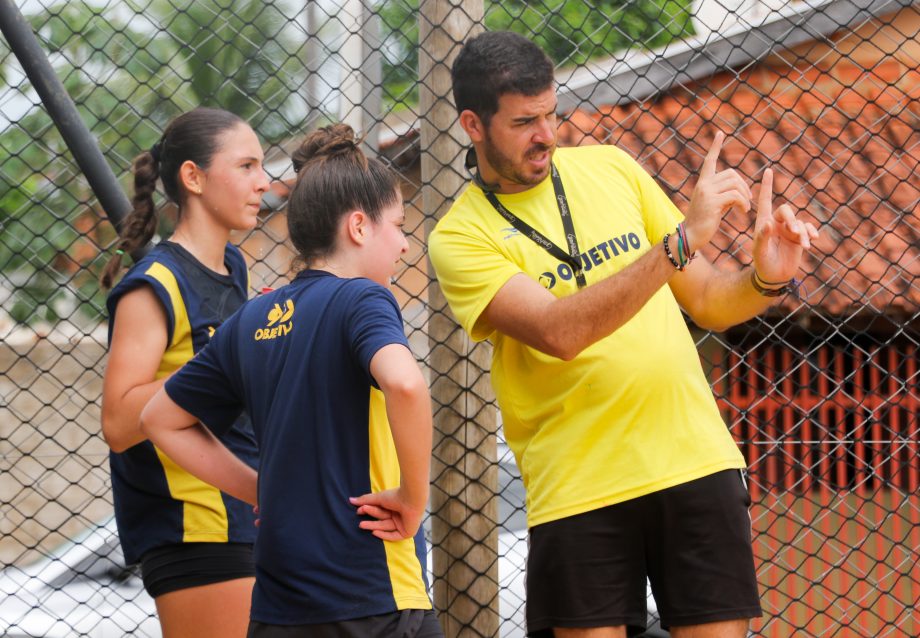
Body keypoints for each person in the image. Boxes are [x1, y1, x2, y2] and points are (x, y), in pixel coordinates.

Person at [428, 31, 819, 638]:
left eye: (552, 115)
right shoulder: (459, 237)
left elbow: (711, 301)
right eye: (525, 121)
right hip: (580, 487)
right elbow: (559, 331)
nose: (546, 135)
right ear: (473, 125)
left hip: (693, 460)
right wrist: (682, 238)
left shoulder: (610, 167)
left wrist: (767, 278)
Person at [138, 123, 443, 638]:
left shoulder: (251, 319)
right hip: (375, 595)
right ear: (359, 227)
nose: (407, 245)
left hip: (278, 612)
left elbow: (159, 419)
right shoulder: (363, 298)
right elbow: (407, 385)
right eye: (399, 225)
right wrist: (413, 499)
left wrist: (261, 490)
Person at [100, 107, 269, 638]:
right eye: (246, 166)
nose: (263, 181)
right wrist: (221, 364)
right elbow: (120, 421)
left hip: (248, 514)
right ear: (193, 178)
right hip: (192, 531)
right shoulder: (155, 285)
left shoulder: (232, 268)